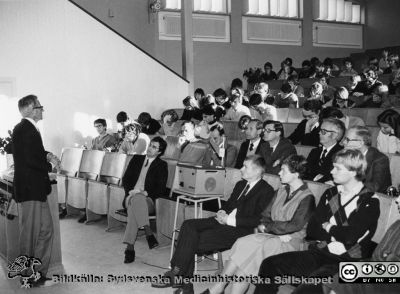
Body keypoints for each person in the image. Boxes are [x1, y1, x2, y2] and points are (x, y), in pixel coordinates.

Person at [255, 149, 381, 294]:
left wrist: (328, 227)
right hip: (320, 252)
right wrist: (336, 233)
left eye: (337, 168)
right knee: (270, 264)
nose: (332, 171)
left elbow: (351, 237)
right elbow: (313, 230)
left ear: (353, 172)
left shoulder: (369, 200)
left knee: (306, 290)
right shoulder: (331, 193)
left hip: (346, 262)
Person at [152, 155, 275, 294]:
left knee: (191, 242)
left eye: (245, 166)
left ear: (257, 171)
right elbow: (229, 204)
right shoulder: (240, 184)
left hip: (241, 230)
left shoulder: (267, 190)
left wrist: (229, 220)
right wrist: (222, 211)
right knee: (188, 225)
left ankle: (180, 278)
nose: (241, 169)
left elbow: (259, 220)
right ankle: (180, 278)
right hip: (223, 221)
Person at [203, 155, 315, 294]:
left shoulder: (307, 197)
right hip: (272, 235)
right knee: (243, 242)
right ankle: (219, 286)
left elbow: (294, 226)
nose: (279, 173)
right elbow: (265, 217)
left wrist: (273, 230)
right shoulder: (280, 191)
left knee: (247, 262)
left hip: (291, 241)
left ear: (296, 174)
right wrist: (273, 230)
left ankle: (218, 289)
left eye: (284, 171)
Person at [12, 95, 60, 287]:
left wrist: (47, 155)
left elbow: (33, 152)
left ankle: (38, 274)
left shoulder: (27, 128)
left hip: (36, 189)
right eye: (40, 106)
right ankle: (29, 276)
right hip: (31, 189)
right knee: (30, 235)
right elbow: (31, 160)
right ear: (31, 108)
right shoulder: (26, 129)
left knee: (46, 230)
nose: (42, 110)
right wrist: (51, 169)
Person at [324, 196, 400, 294]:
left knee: (345, 280)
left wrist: (389, 258)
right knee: (332, 273)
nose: (397, 200)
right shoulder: (397, 224)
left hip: (392, 278)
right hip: (384, 271)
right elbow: (378, 256)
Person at [121, 137, 168, 263]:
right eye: (150, 145)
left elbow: (161, 188)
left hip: (148, 199)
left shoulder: (162, 165)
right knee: (135, 200)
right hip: (130, 196)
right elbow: (126, 179)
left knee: (137, 202)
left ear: (159, 152)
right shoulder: (136, 159)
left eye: (154, 147)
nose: (150, 148)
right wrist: (130, 192)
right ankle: (148, 232)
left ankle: (130, 248)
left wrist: (145, 192)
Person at [342, 126, 391, 193]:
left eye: (347, 139)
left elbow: (375, 186)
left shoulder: (380, 159)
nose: (343, 142)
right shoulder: (345, 154)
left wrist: (347, 187)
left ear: (360, 143)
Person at [304, 118, 345, 183]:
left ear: (334, 135)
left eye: (323, 131)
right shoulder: (314, 151)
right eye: (320, 130)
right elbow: (304, 172)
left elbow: (330, 176)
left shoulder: (341, 154)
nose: (319, 133)